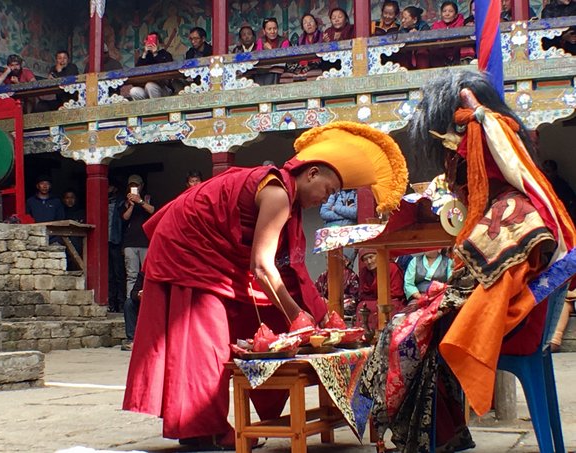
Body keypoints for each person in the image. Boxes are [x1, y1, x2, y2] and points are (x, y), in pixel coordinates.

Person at [123, 121, 408, 448]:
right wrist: (299, 317)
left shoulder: (286, 197)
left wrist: (320, 318)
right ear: (312, 174)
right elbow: (261, 266)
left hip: (215, 253)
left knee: (266, 317)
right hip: (189, 249)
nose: (324, 200)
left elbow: (291, 270)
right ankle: (201, 429)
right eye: (328, 191)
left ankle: (230, 421)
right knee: (207, 340)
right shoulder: (277, 193)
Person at [360, 70, 576, 452]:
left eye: (456, 163)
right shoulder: (516, 206)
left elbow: (477, 289)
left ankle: (422, 440)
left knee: (403, 333)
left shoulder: (510, 211)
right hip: (517, 319)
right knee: (413, 322)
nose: (456, 179)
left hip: (512, 327)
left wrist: (431, 304)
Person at [121, 174, 155, 344]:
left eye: (136, 185)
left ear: (141, 186)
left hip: (146, 242)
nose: (134, 188)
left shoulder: (147, 198)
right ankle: (131, 300)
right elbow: (125, 218)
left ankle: (147, 298)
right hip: (130, 243)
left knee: (147, 273)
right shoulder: (126, 202)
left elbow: (153, 211)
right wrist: (131, 205)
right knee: (132, 274)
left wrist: (140, 201)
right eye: (131, 185)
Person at [355, 251, 406, 331]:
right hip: (371, 300)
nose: (369, 262)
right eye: (365, 259)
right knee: (361, 306)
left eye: (371, 257)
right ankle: (364, 333)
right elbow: (362, 293)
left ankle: (384, 332)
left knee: (386, 306)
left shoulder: (392, 267)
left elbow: (396, 292)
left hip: (391, 300)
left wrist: (381, 298)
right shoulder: (364, 272)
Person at [280, 13, 323, 83]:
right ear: (303, 28)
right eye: (305, 23)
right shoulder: (301, 39)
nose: (308, 24)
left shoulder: (322, 36)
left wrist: (325, 42)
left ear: (316, 25)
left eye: (311, 21)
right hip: (303, 62)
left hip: (317, 62)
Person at [314, 252, 359, 319]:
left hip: (343, 306)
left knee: (349, 303)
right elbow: (316, 292)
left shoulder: (352, 276)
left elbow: (355, 297)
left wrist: (335, 301)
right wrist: (324, 300)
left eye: (333, 258)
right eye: (327, 258)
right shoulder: (324, 275)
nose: (328, 261)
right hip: (326, 306)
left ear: (346, 261)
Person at [129, 32, 173, 100]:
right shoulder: (145, 56)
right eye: (149, 40)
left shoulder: (165, 54)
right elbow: (137, 70)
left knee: (150, 85)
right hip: (145, 87)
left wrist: (155, 53)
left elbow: (166, 68)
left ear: (158, 42)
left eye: (154, 40)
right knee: (134, 91)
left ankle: (157, 107)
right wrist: (144, 53)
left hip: (163, 87)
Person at [254, 17, 290, 86]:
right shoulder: (261, 41)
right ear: (264, 31)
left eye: (275, 28)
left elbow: (283, 59)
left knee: (273, 73)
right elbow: (259, 59)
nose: (272, 31)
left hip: (278, 70)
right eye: (269, 29)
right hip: (263, 70)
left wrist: (270, 51)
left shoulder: (284, 41)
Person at [108, 181, 126, 313]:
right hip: (104, 241)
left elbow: (124, 223)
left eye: (110, 186)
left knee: (119, 274)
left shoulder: (121, 203)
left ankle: (121, 303)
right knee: (108, 275)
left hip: (117, 241)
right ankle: (110, 303)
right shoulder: (101, 201)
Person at [430, 2, 465, 68]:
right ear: (441, 14)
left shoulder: (461, 23)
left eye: (450, 11)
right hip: (441, 53)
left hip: (457, 52)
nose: (447, 14)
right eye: (444, 11)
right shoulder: (437, 25)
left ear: (456, 15)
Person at [122, 271, 144, 351]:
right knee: (129, 303)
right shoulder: (143, 274)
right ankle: (132, 339)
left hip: (157, 304)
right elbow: (133, 293)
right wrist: (139, 295)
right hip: (143, 303)